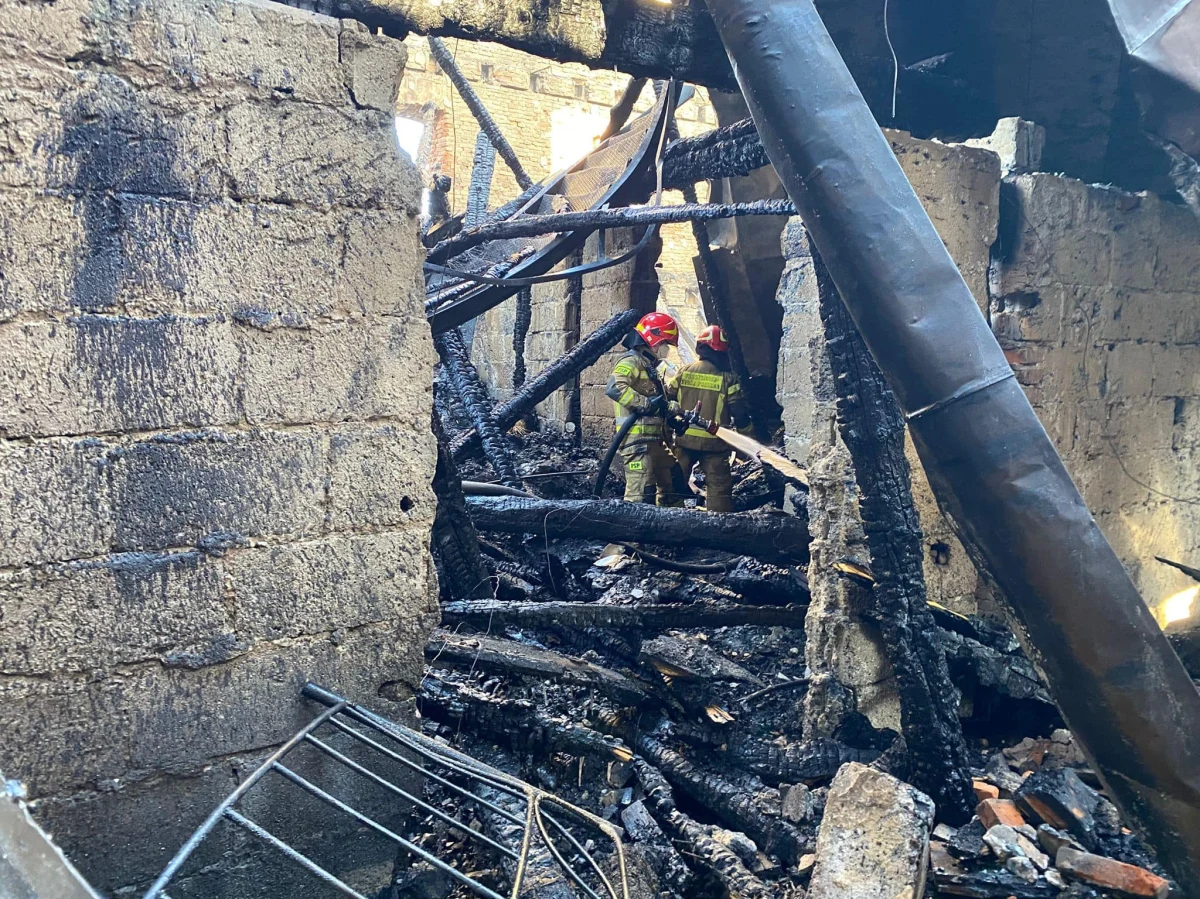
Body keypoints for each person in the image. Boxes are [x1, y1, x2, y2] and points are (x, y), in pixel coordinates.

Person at [666, 324, 752, 513]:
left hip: (684, 439)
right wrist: (749, 439)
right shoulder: (728, 378)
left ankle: (667, 518)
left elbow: (668, 397)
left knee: (673, 483)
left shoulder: (684, 371)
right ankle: (718, 527)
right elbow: (739, 413)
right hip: (714, 444)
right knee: (719, 488)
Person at [605, 311, 682, 506]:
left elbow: (658, 403)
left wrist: (671, 415)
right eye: (667, 344)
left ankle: (671, 531)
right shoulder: (631, 362)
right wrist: (646, 404)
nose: (667, 351)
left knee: (674, 480)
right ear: (654, 340)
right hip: (637, 443)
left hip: (655, 442)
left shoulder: (649, 367)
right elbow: (615, 387)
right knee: (641, 497)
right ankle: (631, 537)